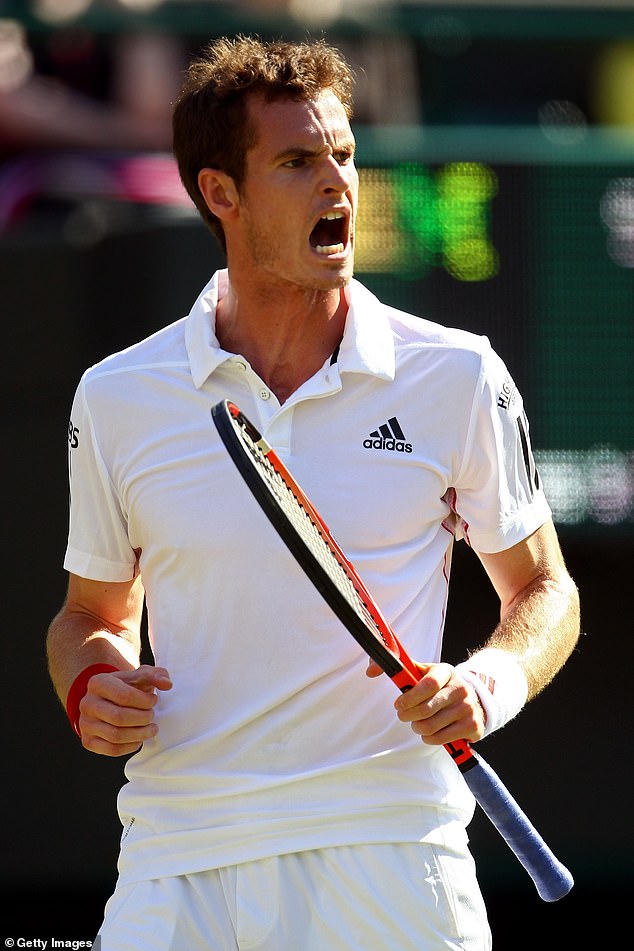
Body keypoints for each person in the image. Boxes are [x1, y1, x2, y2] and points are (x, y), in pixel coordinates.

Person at [46, 36, 580, 951]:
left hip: (390, 850)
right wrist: (92, 682)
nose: (338, 182)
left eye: (344, 154)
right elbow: (88, 614)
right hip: (180, 857)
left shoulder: (455, 375)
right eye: (298, 161)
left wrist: (488, 684)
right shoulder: (117, 396)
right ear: (221, 194)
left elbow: (546, 592)